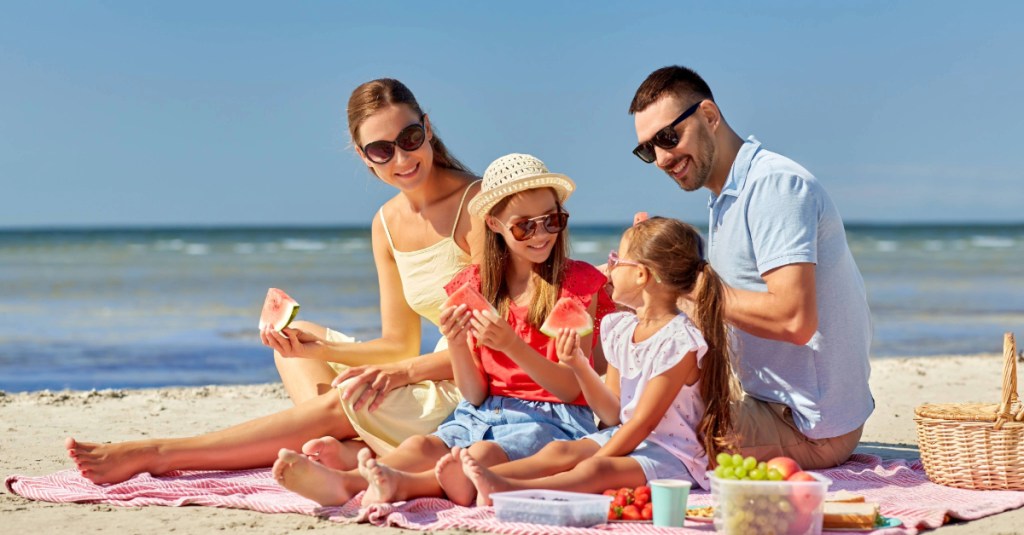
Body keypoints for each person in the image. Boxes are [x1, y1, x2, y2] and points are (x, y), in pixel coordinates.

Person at [65, 78, 482, 484]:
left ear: (427, 128)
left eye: (409, 138)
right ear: (363, 156)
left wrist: (401, 374)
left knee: (348, 395)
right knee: (298, 346)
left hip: (471, 387)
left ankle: (162, 454)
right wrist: (321, 348)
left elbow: (500, 341)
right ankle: (356, 449)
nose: (401, 159)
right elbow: (399, 344)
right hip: (423, 371)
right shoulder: (386, 225)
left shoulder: (477, 205)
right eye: (382, 150)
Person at [271, 153, 615, 506]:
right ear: (494, 225)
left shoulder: (576, 282)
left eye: (552, 220)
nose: (541, 235)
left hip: (553, 419)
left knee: (482, 456)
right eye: (524, 226)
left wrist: (512, 345)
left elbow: (571, 386)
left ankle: (388, 486)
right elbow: (475, 393)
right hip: (483, 410)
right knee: (421, 446)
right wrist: (457, 344)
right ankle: (347, 481)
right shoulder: (473, 287)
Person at [627, 66, 873, 469]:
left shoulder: (775, 186)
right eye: (647, 150)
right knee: (624, 404)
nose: (661, 158)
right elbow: (722, 306)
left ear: (709, 116)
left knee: (642, 435)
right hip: (765, 402)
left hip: (807, 425)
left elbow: (794, 320)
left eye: (668, 138)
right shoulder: (727, 195)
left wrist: (683, 280)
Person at [444, 217, 736, 504]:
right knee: (560, 452)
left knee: (595, 469)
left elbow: (643, 424)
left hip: (672, 454)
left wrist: (598, 456)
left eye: (617, 259)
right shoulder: (622, 329)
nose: (609, 267)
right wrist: (578, 365)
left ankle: (506, 488)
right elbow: (612, 413)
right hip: (625, 435)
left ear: (641, 275)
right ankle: (478, 478)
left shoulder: (679, 342)